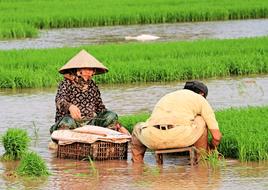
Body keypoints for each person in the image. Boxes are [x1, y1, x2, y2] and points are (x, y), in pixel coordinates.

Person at [131, 80, 222, 163]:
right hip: (181, 136)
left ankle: (137, 166)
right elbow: (216, 137)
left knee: (137, 128)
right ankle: (202, 160)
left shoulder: (168, 96)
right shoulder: (200, 99)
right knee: (200, 120)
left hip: (152, 138)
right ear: (202, 94)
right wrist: (212, 148)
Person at [50, 49, 129, 136]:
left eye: (92, 70)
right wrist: (70, 107)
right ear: (79, 71)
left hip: (90, 123)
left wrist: (118, 125)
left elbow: (100, 108)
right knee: (67, 122)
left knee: (111, 115)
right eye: (87, 69)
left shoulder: (92, 85)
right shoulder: (66, 83)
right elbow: (59, 100)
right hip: (71, 123)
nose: (90, 72)